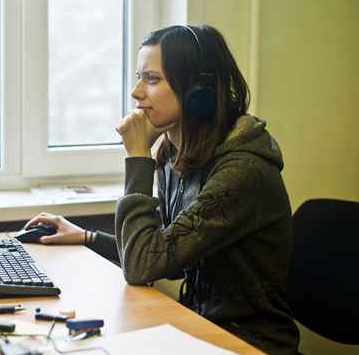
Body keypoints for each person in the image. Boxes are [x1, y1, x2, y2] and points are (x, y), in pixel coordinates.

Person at [25, 25, 300, 354]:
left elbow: (145, 266)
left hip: (248, 343)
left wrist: (139, 159)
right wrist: (87, 237)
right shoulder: (176, 153)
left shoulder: (242, 172)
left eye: (152, 79)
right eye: (139, 77)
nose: (136, 92)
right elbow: (169, 252)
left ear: (198, 93)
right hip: (199, 329)